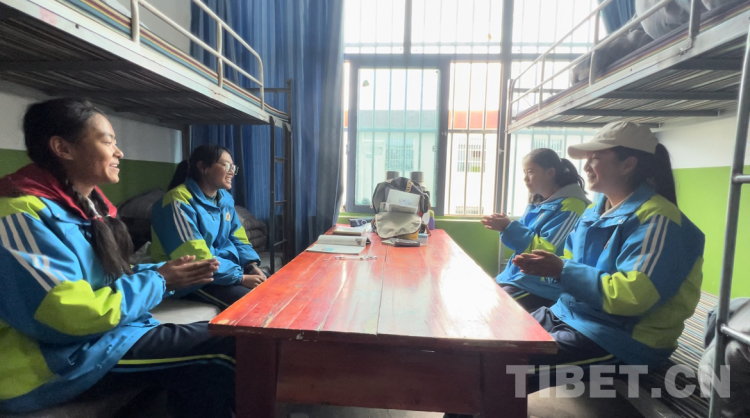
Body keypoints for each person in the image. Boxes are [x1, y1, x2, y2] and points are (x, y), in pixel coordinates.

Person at [0, 98, 236, 417]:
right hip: (56, 361)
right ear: (63, 148)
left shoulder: (87, 207)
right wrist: (159, 280)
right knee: (227, 347)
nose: (119, 152)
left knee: (223, 342)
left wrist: (162, 272)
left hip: (105, 336)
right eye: (107, 141)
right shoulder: (20, 214)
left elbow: (105, 279)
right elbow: (65, 315)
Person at [151, 144, 265, 310]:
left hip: (225, 272)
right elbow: (196, 260)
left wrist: (251, 266)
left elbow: (238, 237)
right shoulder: (177, 202)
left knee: (275, 287)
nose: (232, 172)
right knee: (255, 304)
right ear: (203, 167)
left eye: (233, 167)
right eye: (227, 165)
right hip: (193, 279)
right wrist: (240, 278)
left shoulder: (224, 199)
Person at [482, 148, 589, 312]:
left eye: (530, 172)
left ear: (550, 172)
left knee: (493, 310)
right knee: (480, 297)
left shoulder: (573, 206)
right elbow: (522, 244)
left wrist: (508, 227)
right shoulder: (539, 203)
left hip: (540, 287)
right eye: (524, 173)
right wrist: (506, 227)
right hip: (517, 277)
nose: (525, 179)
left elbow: (544, 252)